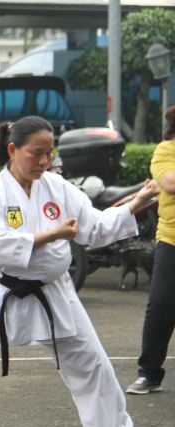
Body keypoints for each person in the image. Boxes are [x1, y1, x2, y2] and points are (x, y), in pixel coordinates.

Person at [0, 116, 159, 427]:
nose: (44, 161)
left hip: (52, 291)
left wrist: (137, 202)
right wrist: (51, 236)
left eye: (49, 153)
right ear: (12, 150)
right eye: (36, 153)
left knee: (93, 367)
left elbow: (92, 227)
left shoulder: (57, 187)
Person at [126, 106, 175, 395]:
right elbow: (169, 182)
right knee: (161, 306)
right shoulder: (165, 150)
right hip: (171, 240)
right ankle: (149, 374)